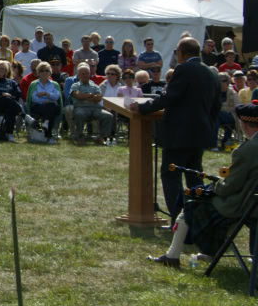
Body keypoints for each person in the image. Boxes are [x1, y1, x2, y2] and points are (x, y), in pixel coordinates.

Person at [148, 103, 258, 268]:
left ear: (243, 123)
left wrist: (214, 187)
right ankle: (210, 252)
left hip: (242, 206)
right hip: (252, 204)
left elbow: (229, 186)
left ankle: (172, 256)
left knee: (191, 202)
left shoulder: (247, 149)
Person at [131, 38, 220, 224]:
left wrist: (144, 107)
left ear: (182, 52)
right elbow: (215, 107)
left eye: (176, 51)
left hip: (179, 135)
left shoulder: (184, 69)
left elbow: (169, 97)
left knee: (171, 176)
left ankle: (178, 222)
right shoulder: (210, 72)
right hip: (199, 134)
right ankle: (198, 220)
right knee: (195, 178)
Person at [69, 63, 114, 145]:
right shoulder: (75, 85)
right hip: (81, 107)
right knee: (79, 114)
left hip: (96, 108)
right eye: (83, 74)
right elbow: (77, 95)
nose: (86, 75)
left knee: (108, 116)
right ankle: (80, 136)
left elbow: (99, 97)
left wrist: (84, 96)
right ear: (78, 75)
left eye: (87, 73)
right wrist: (90, 95)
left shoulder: (95, 86)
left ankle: (101, 137)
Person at [27, 62, 62, 144]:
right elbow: (34, 98)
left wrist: (46, 94)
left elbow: (57, 97)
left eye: (46, 70)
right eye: (42, 71)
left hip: (51, 106)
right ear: (38, 73)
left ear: (50, 72)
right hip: (38, 106)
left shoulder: (54, 84)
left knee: (51, 107)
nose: (44, 72)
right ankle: (48, 136)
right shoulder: (34, 84)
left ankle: (46, 124)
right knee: (50, 109)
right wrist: (43, 101)